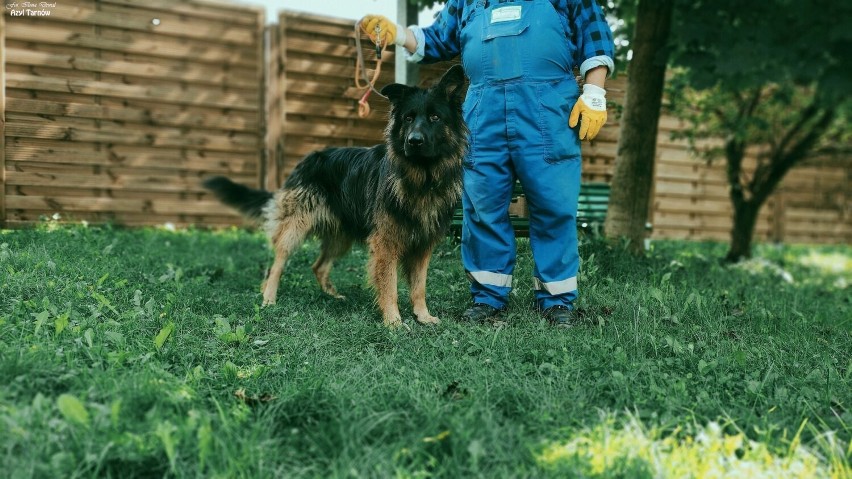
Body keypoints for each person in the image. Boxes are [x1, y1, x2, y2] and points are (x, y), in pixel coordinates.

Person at [360, 0, 614, 327]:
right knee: (482, 207)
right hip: (484, 114)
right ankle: (488, 298)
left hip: (546, 112)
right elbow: (436, 39)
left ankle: (557, 301)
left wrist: (594, 92)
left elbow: (595, 38)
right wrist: (397, 34)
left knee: (554, 204)